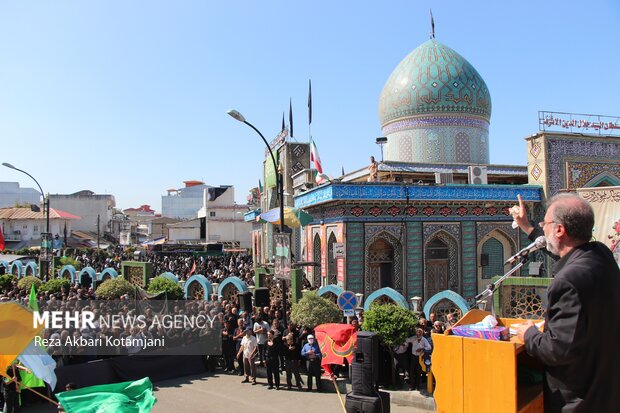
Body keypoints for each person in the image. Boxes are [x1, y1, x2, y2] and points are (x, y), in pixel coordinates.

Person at [513, 193, 620, 413]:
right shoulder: (601, 255)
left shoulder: (567, 282)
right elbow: (567, 256)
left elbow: (556, 350)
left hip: (578, 401)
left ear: (559, 230)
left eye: (545, 224)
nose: (543, 228)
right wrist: (528, 228)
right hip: (607, 389)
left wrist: (529, 334)